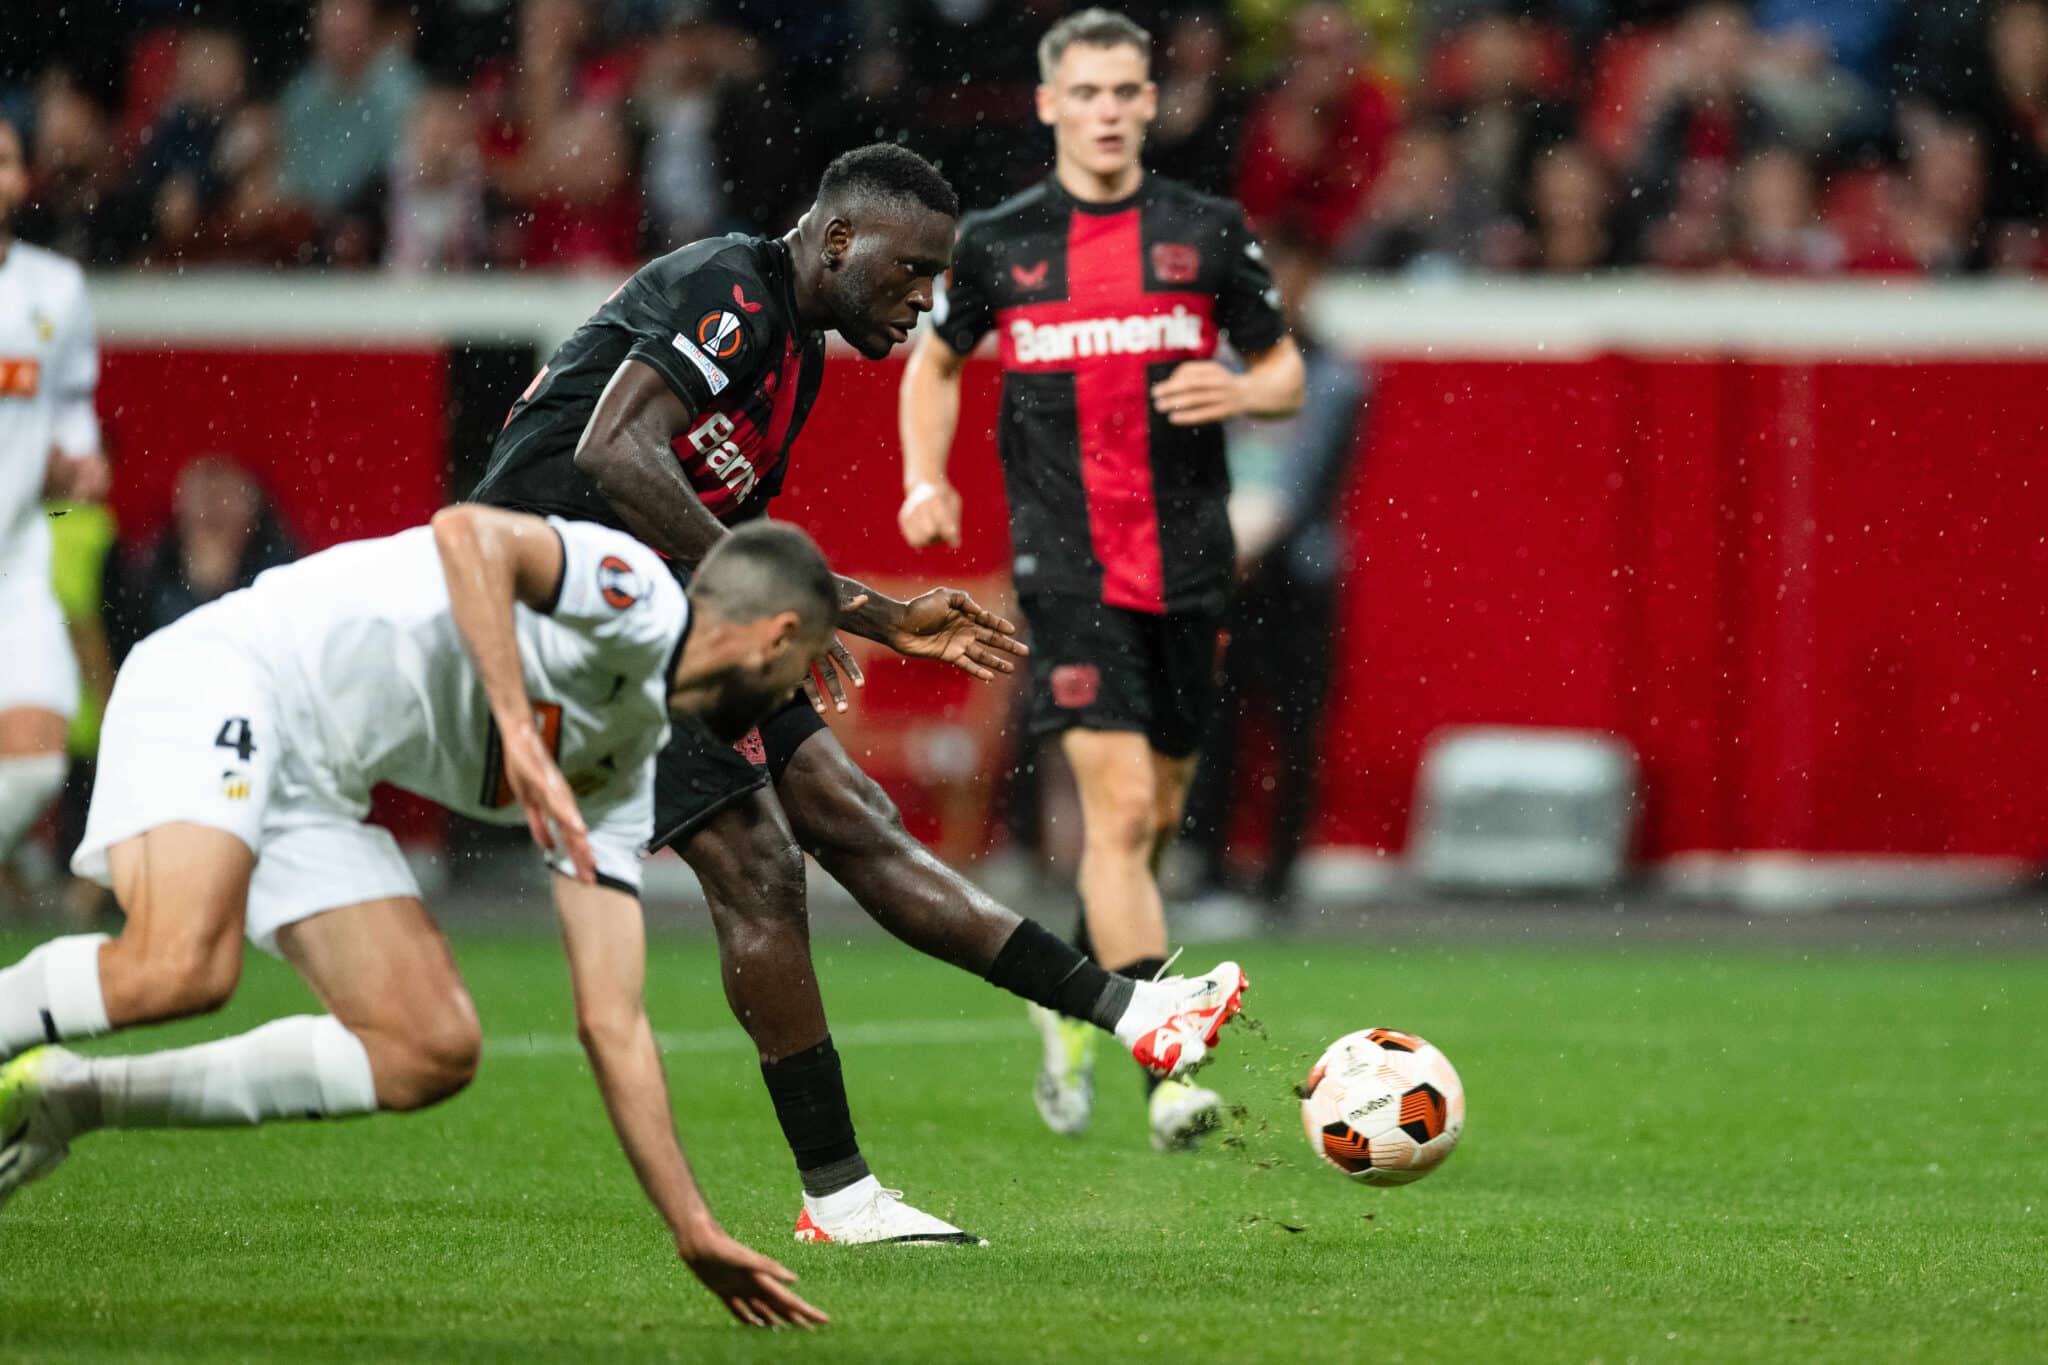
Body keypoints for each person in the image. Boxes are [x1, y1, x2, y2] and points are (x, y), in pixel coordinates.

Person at [472, 142, 1247, 1243]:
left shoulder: (797, 351)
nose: (927, 300)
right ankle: (837, 1196)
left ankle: (1137, 1014)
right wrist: (762, 600)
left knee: (852, 818)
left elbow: (720, 520)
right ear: (838, 239)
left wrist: (876, 614)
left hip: (667, 604)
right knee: (757, 866)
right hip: (569, 608)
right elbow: (613, 448)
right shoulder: (729, 289)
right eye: (913, 268)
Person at [0, 508, 838, 1329]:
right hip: (235, 672)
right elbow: (468, 533)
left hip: (317, 786)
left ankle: (69, 1099)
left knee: (428, 1046)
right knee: (181, 968)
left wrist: (692, 1226)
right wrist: (516, 724)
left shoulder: (621, 769)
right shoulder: (637, 600)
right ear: (776, 635)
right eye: (804, 665)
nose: (798, 692)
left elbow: (612, 1018)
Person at [897, 9, 1303, 1151]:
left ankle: (1065, 993)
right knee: (1117, 812)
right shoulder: (998, 242)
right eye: (1086, 93)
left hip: (1186, 561)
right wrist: (922, 481)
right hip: (1063, 564)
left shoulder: (1207, 231)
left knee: (1150, 822)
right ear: (1048, 104)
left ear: (1149, 100)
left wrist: (1241, 392)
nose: (1109, 111)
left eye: (1126, 91)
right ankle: (1165, 1071)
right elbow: (932, 364)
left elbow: (1281, 370)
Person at [0, 114, 110, 897]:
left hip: (16, 559)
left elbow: (71, 402)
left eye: (2, 159)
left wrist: (78, 454)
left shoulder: (54, 290)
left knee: (36, 761)